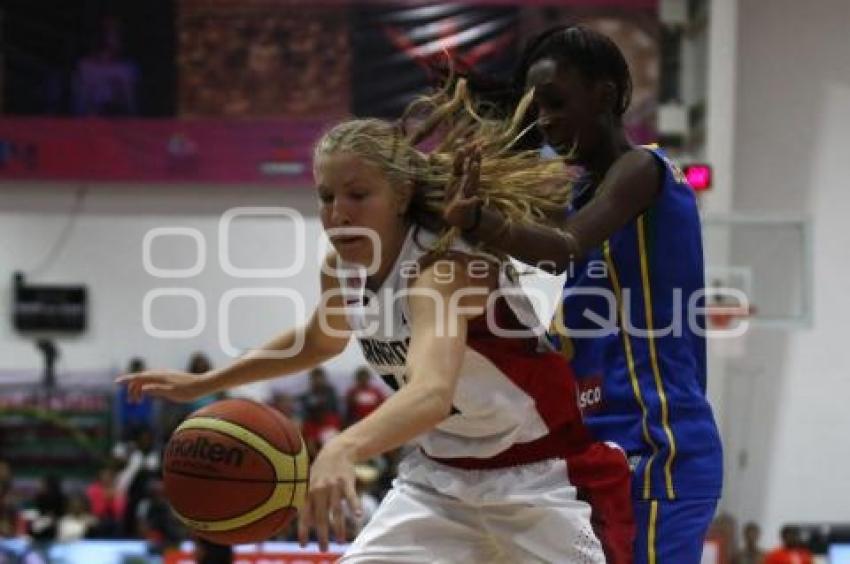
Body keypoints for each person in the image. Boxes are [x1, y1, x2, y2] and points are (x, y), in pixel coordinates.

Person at [118, 79, 633, 562]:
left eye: (357, 195)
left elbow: (432, 393)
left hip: (541, 479)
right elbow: (319, 340)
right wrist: (207, 383)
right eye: (325, 196)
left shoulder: (443, 271)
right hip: (438, 482)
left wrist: (345, 445)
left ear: (401, 196)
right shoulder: (341, 268)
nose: (337, 212)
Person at [444, 24, 723, 563]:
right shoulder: (584, 195)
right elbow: (538, 238)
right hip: (604, 447)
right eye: (537, 109)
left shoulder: (642, 170)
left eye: (556, 103)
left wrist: (479, 220)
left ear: (606, 94)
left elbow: (563, 247)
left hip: (658, 447)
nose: (546, 121)